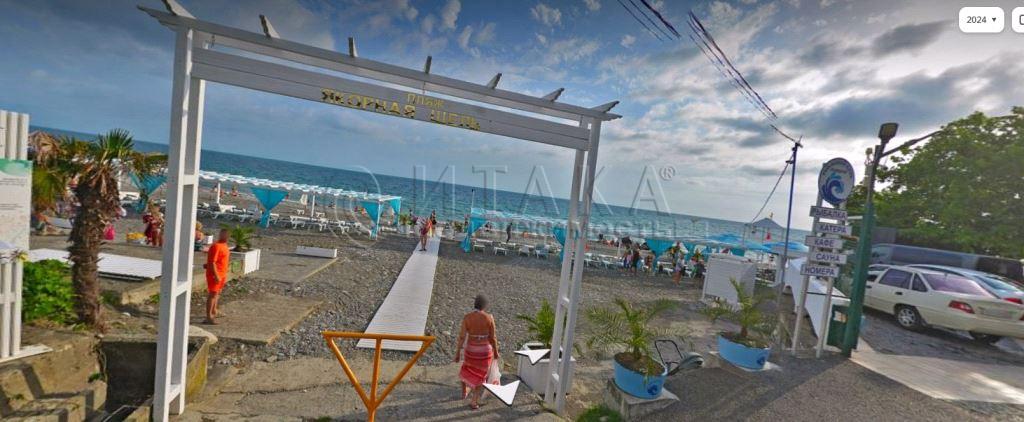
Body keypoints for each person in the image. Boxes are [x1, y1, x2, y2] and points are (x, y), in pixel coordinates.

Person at [455, 295, 499, 410]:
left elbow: (462, 337)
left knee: (466, 369)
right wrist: (496, 351)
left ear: (475, 304)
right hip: (485, 351)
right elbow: (493, 338)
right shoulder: (489, 318)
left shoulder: (467, 318)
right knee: (481, 374)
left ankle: (464, 392)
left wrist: (457, 353)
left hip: (471, 349)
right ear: (485, 306)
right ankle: (474, 401)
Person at [204, 228, 231, 325]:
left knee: (217, 293)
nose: (225, 236)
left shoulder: (225, 246)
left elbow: (220, 260)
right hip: (215, 275)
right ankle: (209, 316)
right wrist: (216, 275)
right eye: (223, 234)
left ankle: (214, 310)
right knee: (213, 294)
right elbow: (212, 262)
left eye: (226, 235)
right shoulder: (216, 246)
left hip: (222, 274)